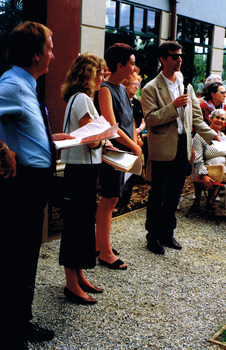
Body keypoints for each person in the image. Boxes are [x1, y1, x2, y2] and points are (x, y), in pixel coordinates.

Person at [0, 21, 73, 349]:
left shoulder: (25, 84)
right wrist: (1, 149)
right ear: (35, 54)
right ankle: (11, 332)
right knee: (16, 259)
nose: (53, 54)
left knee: (26, 257)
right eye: (50, 47)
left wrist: (53, 139)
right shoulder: (12, 83)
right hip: (21, 187)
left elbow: (27, 132)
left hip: (35, 184)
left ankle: (20, 321)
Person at [141, 40, 220, 255]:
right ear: (163, 59)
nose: (179, 59)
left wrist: (213, 136)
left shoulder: (185, 83)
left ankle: (168, 233)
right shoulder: (150, 88)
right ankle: (153, 236)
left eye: (180, 55)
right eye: (174, 56)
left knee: (174, 195)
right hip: (162, 150)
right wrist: (172, 107)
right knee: (158, 194)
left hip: (182, 148)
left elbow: (195, 116)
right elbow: (149, 120)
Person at [59, 53, 107, 304]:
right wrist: (105, 136)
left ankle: (78, 276)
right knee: (78, 225)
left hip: (79, 169)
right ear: (89, 73)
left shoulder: (76, 98)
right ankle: (71, 284)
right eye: (99, 72)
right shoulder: (84, 100)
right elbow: (91, 140)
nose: (102, 76)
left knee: (82, 223)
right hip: (82, 170)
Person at [94, 43, 142, 269]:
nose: (134, 67)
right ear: (120, 65)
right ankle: (104, 251)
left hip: (124, 153)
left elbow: (129, 119)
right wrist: (134, 145)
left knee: (113, 199)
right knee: (109, 200)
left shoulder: (122, 89)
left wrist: (134, 141)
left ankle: (100, 243)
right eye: (131, 63)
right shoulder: (104, 89)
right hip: (113, 154)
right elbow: (112, 126)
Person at [116, 72, 146, 212]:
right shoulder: (121, 101)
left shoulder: (137, 102)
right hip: (124, 141)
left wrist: (139, 130)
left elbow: (142, 120)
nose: (137, 87)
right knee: (122, 174)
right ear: (125, 85)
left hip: (136, 138)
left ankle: (125, 201)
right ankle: (118, 202)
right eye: (134, 84)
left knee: (133, 174)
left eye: (138, 85)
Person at [193, 109, 226, 195]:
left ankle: (212, 198)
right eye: (217, 117)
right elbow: (197, 157)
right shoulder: (200, 135)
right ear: (210, 119)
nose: (219, 121)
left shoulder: (223, 136)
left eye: (222, 119)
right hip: (208, 170)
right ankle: (198, 199)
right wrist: (203, 175)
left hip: (223, 171)